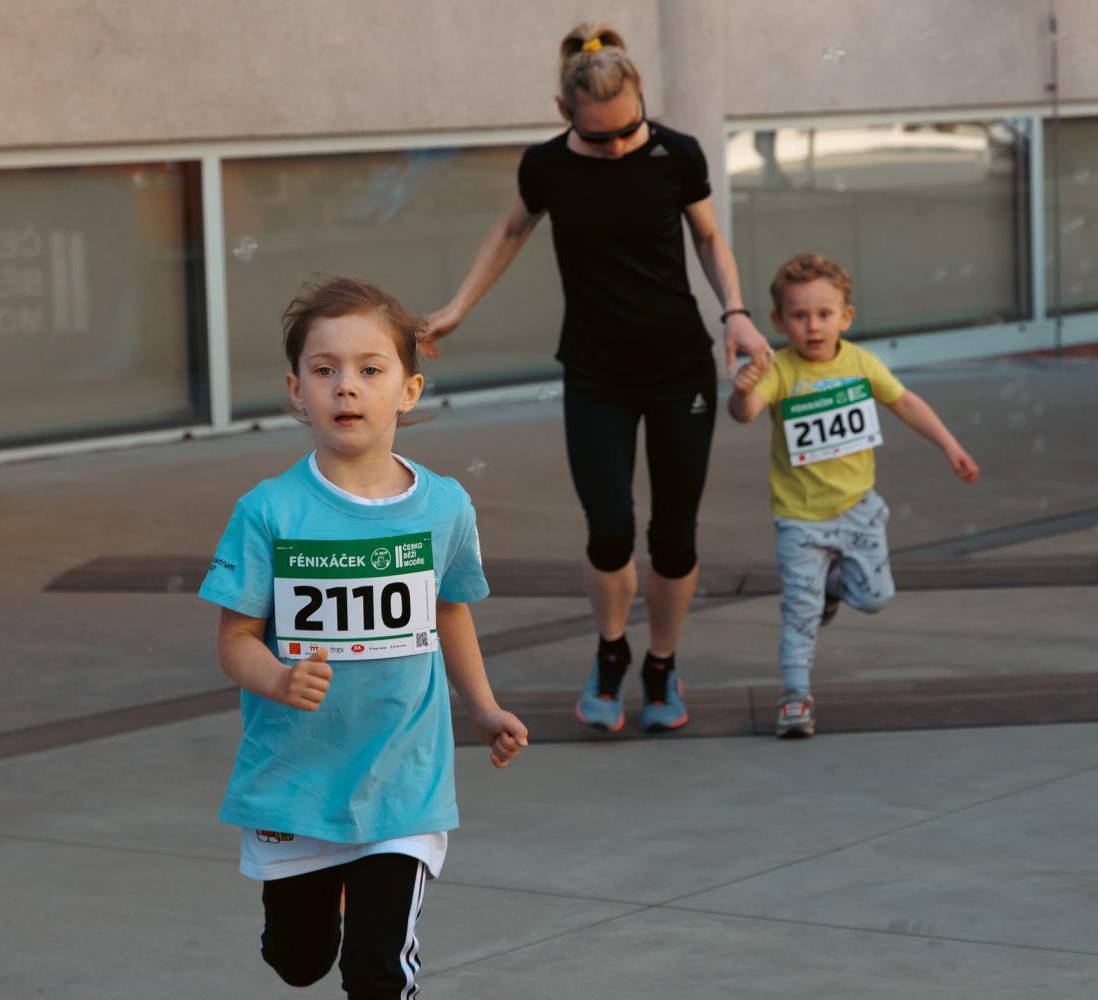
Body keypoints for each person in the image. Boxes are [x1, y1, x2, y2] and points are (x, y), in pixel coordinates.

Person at [421, 23, 773, 733]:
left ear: (642, 99)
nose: (617, 146)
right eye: (600, 136)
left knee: (674, 536)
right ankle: (612, 654)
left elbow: (708, 236)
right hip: (595, 372)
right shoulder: (547, 166)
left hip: (678, 367)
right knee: (609, 529)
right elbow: (512, 231)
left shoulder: (677, 153)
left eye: (629, 129)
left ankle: (662, 664)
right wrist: (457, 308)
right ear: (564, 111)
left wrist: (734, 311)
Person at [198, 277, 528, 998]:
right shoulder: (268, 512)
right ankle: (312, 912)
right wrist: (279, 677)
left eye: (370, 369)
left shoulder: (444, 506)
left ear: (409, 390)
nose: (346, 386)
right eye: (325, 370)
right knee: (299, 961)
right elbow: (235, 639)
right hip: (297, 778)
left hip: (404, 779)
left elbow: (449, 612)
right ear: (297, 391)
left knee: (378, 970)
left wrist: (482, 707)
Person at [728, 254, 979, 737]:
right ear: (778, 322)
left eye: (824, 314)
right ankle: (795, 696)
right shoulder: (780, 370)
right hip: (800, 519)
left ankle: (832, 588)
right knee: (799, 612)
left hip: (858, 510)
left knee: (876, 597)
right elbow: (745, 412)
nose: (813, 326)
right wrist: (742, 391)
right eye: (799, 316)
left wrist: (951, 446)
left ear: (846, 317)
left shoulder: (860, 363)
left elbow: (905, 401)